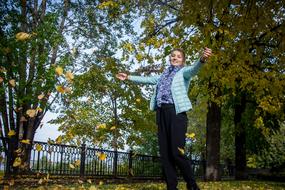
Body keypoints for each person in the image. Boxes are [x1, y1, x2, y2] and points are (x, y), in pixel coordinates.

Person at [116, 47, 212, 190]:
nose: (175, 58)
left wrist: (202, 59)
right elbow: (147, 80)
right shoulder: (163, 75)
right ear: (169, 58)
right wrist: (129, 77)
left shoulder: (183, 72)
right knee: (165, 155)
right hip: (161, 113)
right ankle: (171, 187)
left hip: (176, 114)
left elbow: (194, 70)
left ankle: (192, 185)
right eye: (173, 56)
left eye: (178, 56)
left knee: (177, 152)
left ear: (182, 60)